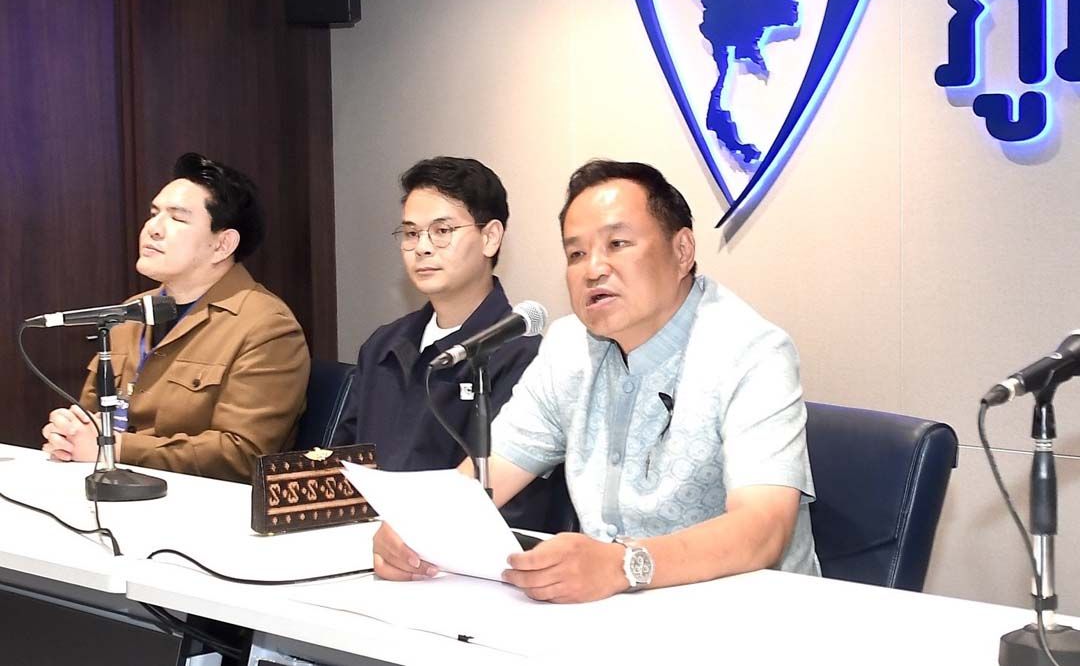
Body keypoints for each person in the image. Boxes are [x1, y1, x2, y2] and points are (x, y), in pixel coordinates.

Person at [373, 159, 819, 601]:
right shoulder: (569, 346)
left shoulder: (751, 351)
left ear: (682, 250)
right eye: (576, 254)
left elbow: (763, 528)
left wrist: (624, 565)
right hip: (608, 611)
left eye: (618, 244)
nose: (593, 269)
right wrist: (418, 528)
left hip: (745, 612)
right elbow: (495, 468)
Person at [332, 156, 571, 532]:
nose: (422, 248)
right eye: (411, 234)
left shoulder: (524, 357)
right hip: (368, 542)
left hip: (463, 549)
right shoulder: (383, 346)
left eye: (442, 230)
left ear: (490, 237)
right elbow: (344, 466)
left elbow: (517, 509)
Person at [40, 152, 310, 482]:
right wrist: (68, 434)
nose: (152, 229)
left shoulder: (267, 326)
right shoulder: (129, 312)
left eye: (177, 218)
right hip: (110, 488)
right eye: (154, 214)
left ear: (222, 244)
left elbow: (243, 454)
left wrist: (116, 448)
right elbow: (91, 418)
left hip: (197, 503)